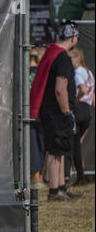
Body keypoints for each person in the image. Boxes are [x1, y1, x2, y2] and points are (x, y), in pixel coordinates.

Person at [30, 20, 82, 201]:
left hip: (53, 111)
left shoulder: (54, 53)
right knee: (54, 150)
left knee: (60, 150)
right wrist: (67, 112)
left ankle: (61, 188)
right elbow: (60, 89)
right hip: (56, 112)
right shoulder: (62, 58)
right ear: (74, 38)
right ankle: (54, 191)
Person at [65, 47, 95, 186]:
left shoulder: (77, 72)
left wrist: (75, 101)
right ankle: (77, 176)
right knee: (76, 144)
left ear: (77, 58)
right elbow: (92, 94)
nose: (68, 61)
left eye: (70, 58)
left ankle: (76, 177)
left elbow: (82, 90)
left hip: (79, 109)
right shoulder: (89, 72)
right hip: (87, 111)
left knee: (74, 145)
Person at [29, 48, 46, 189]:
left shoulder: (23, 73)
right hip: (41, 113)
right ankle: (38, 176)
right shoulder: (41, 72)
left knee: (33, 146)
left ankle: (36, 177)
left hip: (29, 113)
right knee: (40, 146)